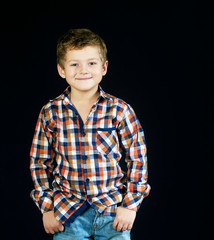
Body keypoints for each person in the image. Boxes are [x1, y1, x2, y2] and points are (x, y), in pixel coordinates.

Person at [30, 28, 150, 240]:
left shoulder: (119, 110)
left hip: (112, 212)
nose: (83, 70)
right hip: (67, 214)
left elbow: (137, 158)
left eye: (91, 63)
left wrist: (130, 205)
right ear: (61, 70)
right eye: (74, 64)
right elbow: (39, 162)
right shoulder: (51, 112)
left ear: (104, 67)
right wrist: (47, 208)